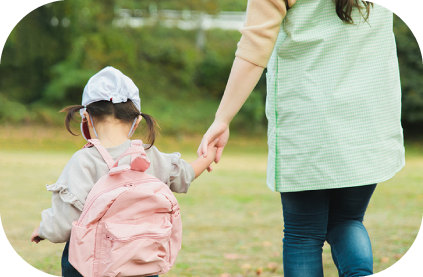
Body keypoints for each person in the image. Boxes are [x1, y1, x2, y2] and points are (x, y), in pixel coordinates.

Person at [197, 1, 405, 276]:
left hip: (308, 123)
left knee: (303, 235)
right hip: (368, 121)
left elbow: (255, 46)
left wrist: (222, 119)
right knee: (348, 221)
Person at [30, 66, 219, 277]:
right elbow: (186, 174)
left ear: (86, 117)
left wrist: (43, 230)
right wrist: (209, 155)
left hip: (92, 266)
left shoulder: (83, 161)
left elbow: (63, 224)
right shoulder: (151, 155)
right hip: (142, 262)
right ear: (136, 122)